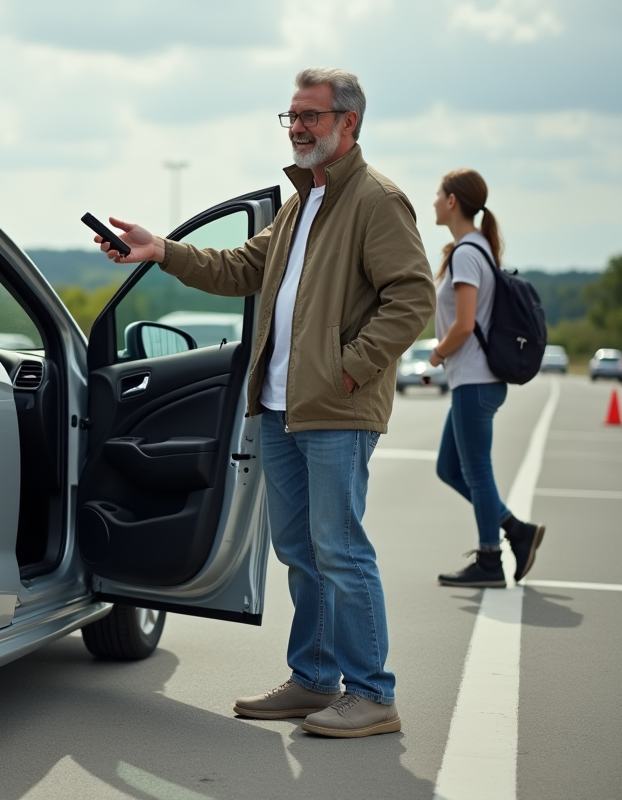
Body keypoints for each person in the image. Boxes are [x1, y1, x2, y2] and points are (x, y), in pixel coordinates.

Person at [93, 68, 435, 738]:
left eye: (311, 115)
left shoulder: (375, 199)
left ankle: (372, 694)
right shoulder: (302, 202)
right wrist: (159, 251)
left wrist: (351, 368)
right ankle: (314, 680)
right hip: (280, 408)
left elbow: (414, 297)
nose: (300, 127)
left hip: (336, 406)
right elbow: (239, 269)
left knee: (339, 549)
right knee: (300, 552)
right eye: (293, 116)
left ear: (349, 123)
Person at [430, 169, 545, 587]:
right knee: (450, 467)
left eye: (438, 194)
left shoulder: (466, 254)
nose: (434, 201)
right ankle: (515, 529)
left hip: (475, 381)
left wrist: (437, 352)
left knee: (476, 472)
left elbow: (463, 324)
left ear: (453, 201)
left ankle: (490, 560)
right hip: (474, 381)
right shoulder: (476, 249)